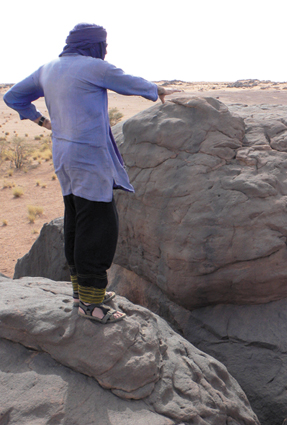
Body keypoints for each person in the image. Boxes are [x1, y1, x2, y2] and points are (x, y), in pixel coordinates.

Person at [3, 23, 178, 324]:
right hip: (87, 158)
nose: (105, 51)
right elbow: (123, 80)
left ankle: (80, 293)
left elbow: (13, 96)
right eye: (103, 45)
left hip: (64, 157)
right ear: (93, 45)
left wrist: (42, 121)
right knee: (98, 227)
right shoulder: (92, 66)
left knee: (76, 219)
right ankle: (91, 304)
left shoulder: (48, 68)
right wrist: (157, 90)